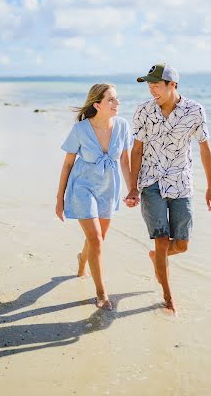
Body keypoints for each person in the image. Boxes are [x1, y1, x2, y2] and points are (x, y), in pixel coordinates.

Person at [125, 63, 211, 314]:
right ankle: (168, 299)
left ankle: (157, 258)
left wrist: (210, 187)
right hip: (151, 182)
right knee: (162, 241)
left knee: (182, 244)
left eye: (156, 85)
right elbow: (137, 149)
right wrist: (133, 187)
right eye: (149, 85)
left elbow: (204, 148)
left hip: (181, 183)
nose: (151, 90)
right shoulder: (143, 111)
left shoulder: (195, 111)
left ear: (172, 85)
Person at [56, 84, 133, 310]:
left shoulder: (122, 126)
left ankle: (82, 259)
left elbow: (125, 162)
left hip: (109, 188)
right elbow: (68, 164)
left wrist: (132, 190)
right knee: (96, 240)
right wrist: (59, 198)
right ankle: (101, 293)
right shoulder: (80, 129)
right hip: (82, 186)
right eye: (111, 100)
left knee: (98, 238)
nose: (117, 103)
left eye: (117, 99)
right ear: (97, 105)